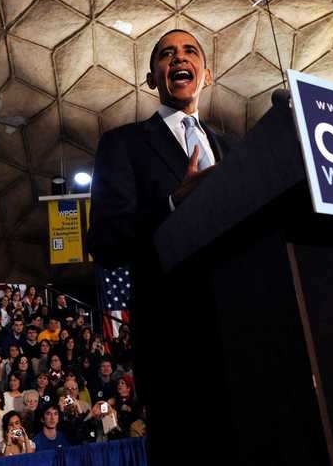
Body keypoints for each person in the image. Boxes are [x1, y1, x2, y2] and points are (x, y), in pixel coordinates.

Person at [86, 29, 232, 422]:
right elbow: (105, 242)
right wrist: (172, 203)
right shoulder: (123, 144)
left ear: (207, 73)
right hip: (174, 348)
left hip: (241, 340)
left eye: (189, 51)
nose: (179, 58)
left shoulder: (234, 149)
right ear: (153, 78)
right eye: (167, 54)